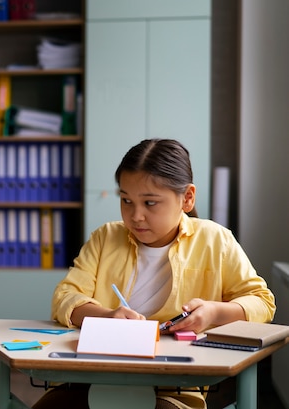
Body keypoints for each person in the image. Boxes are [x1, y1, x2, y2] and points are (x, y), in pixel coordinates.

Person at [33, 139, 275, 409]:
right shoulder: (105, 238)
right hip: (87, 378)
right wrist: (108, 317)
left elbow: (262, 301)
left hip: (172, 387)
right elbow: (65, 297)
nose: (136, 216)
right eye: (126, 200)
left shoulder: (215, 240)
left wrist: (214, 312)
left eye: (150, 203)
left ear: (187, 198)